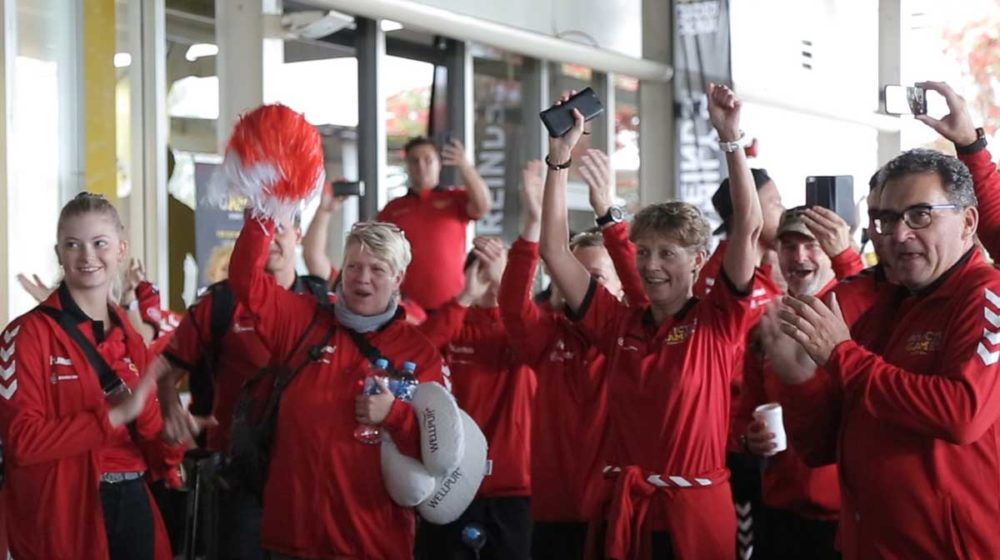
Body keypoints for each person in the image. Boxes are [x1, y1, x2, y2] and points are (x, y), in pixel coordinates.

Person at [539, 84, 761, 558]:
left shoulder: (719, 319)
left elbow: (749, 227)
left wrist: (730, 139)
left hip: (697, 515)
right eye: (643, 252)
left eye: (668, 253)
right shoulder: (618, 324)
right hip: (630, 513)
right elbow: (555, 253)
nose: (651, 265)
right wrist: (558, 161)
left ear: (700, 259)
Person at [774, 148, 1000, 558]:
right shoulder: (887, 305)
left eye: (920, 215)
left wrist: (841, 355)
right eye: (888, 219)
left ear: (968, 223)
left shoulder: (988, 296)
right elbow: (820, 447)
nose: (898, 234)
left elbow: (961, 413)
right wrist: (799, 380)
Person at [223, 212, 447, 559]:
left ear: (398, 278)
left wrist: (395, 416)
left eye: (377, 269)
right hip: (294, 539)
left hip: (372, 543)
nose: (362, 279)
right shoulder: (304, 321)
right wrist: (262, 215)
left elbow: (441, 453)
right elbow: (245, 280)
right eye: (354, 266)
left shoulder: (420, 353)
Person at [0, 193, 182, 560]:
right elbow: (22, 442)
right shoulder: (25, 335)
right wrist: (114, 415)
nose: (87, 256)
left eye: (100, 243)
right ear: (58, 253)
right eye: (73, 244)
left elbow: (155, 449)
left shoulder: (132, 339)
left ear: (120, 249)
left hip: (133, 505)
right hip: (63, 518)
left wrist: (174, 434)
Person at [157, 211, 327, 560]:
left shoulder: (324, 304)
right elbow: (165, 371)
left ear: (298, 234)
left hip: (306, 478)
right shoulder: (218, 303)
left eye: (280, 228)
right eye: (262, 231)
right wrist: (172, 410)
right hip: (234, 477)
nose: (271, 240)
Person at [498, 157, 644, 559]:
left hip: (614, 513)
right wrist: (531, 224)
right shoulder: (548, 335)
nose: (577, 286)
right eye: (569, 275)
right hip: (552, 512)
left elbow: (641, 290)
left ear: (617, 287)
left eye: (594, 278)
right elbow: (512, 306)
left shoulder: (633, 338)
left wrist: (608, 213)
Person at [734, 206, 862, 560]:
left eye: (812, 244)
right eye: (789, 246)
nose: (799, 256)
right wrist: (750, 438)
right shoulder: (767, 327)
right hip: (780, 514)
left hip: (846, 517)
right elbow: (744, 414)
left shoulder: (861, 313)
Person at [415, 236, 537, 560]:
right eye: (482, 269)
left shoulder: (529, 327)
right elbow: (414, 355)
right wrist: (466, 296)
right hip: (448, 484)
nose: (491, 279)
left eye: (502, 271)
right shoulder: (453, 321)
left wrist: (508, 289)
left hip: (513, 490)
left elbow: (530, 339)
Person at [377, 136, 491, 311]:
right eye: (414, 161)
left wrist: (464, 166)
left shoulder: (455, 199)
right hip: (407, 308)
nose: (421, 166)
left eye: (428, 160)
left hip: (453, 303)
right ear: (407, 165)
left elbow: (483, 206)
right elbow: (377, 252)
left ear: (439, 163)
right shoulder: (392, 209)